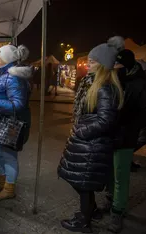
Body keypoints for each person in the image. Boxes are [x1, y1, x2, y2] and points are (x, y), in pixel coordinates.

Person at [57, 36, 125, 233]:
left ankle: (84, 221)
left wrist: (81, 131)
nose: (88, 65)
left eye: (92, 62)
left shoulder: (105, 88)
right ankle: (87, 212)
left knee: (84, 184)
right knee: (82, 184)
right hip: (90, 144)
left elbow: (105, 120)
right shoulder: (97, 84)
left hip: (93, 144)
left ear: (103, 65)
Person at [102, 49, 146, 233]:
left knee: (121, 175)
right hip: (110, 134)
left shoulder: (140, 84)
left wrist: (133, 131)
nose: (115, 68)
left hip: (126, 136)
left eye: (118, 65)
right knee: (110, 172)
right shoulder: (113, 80)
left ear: (126, 65)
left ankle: (117, 212)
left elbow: (142, 114)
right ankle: (110, 199)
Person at [0, 44, 32, 200]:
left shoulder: (13, 78)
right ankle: (2, 180)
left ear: (5, 59)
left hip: (10, 124)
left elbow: (18, 105)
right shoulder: (1, 74)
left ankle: (9, 188)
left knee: (9, 157)